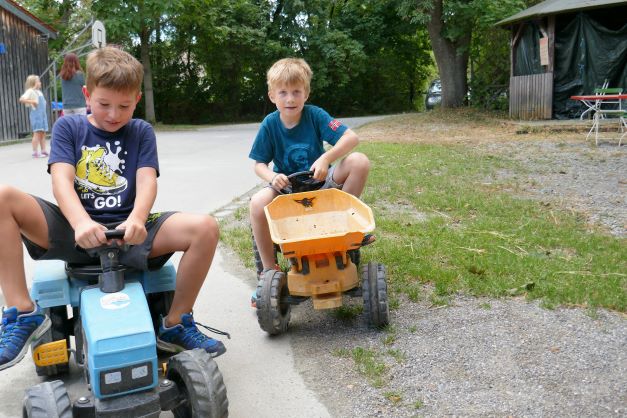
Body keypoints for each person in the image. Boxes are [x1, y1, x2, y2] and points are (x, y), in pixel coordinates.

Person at [0, 47, 225, 372]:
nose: (114, 114)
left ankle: (176, 322)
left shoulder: (141, 132)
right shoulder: (69, 128)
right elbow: (61, 180)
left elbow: (147, 181)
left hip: (130, 231)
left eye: (125, 106)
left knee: (205, 227)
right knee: (3, 196)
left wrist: (136, 219)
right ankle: (22, 312)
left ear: (136, 98)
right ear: (88, 94)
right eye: (104, 104)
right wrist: (79, 222)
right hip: (75, 230)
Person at [248, 58, 372, 305]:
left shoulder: (315, 115)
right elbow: (259, 165)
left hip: (320, 184)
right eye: (283, 93)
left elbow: (351, 137)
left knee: (359, 161)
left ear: (306, 93)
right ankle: (269, 270)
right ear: (272, 95)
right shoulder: (270, 124)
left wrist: (326, 158)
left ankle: (347, 227)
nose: (290, 99)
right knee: (257, 202)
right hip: (287, 188)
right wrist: (273, 176)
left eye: (296, 92)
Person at [19, 75, 49, 158]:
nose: (40, 83)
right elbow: (21, 99)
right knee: (37, 133)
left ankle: (43, 150)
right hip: (36, 115)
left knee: (43, 133)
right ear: (34, 83)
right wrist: (32, 101)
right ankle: (35, 152)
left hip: (43, 115)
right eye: (39, 81)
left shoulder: (39, 92)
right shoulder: (30, 91)